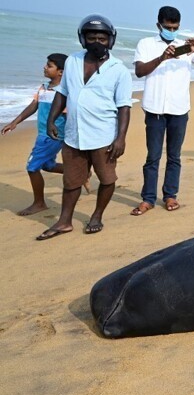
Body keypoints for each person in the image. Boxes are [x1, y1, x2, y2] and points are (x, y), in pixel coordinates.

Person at [37, 15, 133, 240]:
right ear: (83, 39)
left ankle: (97, 215)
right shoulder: (72, 61)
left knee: (107, 179)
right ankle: (64, 221)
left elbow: (124, 107)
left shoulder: (118, 70)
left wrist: (121, 138)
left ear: (111, 40)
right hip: (74, 134)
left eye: (102, 38)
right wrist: (51, 120)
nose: (97, 42)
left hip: (103, 136)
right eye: (92, 38)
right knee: (71, 181)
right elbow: (63, 93)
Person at [130, 6, 194, 216]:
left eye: (175, 27)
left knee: (174, 156)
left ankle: (170, 195)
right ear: (158, 25)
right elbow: (140, 71)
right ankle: (148, 199)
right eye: (167, 27)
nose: (171, 30)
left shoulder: (184, 47)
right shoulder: (146, 44)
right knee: (152, 156)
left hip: (179, 108)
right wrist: (162, 58)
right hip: (154, 108)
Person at [1, 53, 77, 215]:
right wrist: (15, 122)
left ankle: (39, 203)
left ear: (61, 72)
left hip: (52, 136)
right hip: (42, 133)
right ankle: (80, 173)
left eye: (49, 65)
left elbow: (69, 115)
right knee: (47, 165)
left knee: (32, 167)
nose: (45, 67)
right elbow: (33, 105)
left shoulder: (63, 93)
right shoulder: (44, 87)